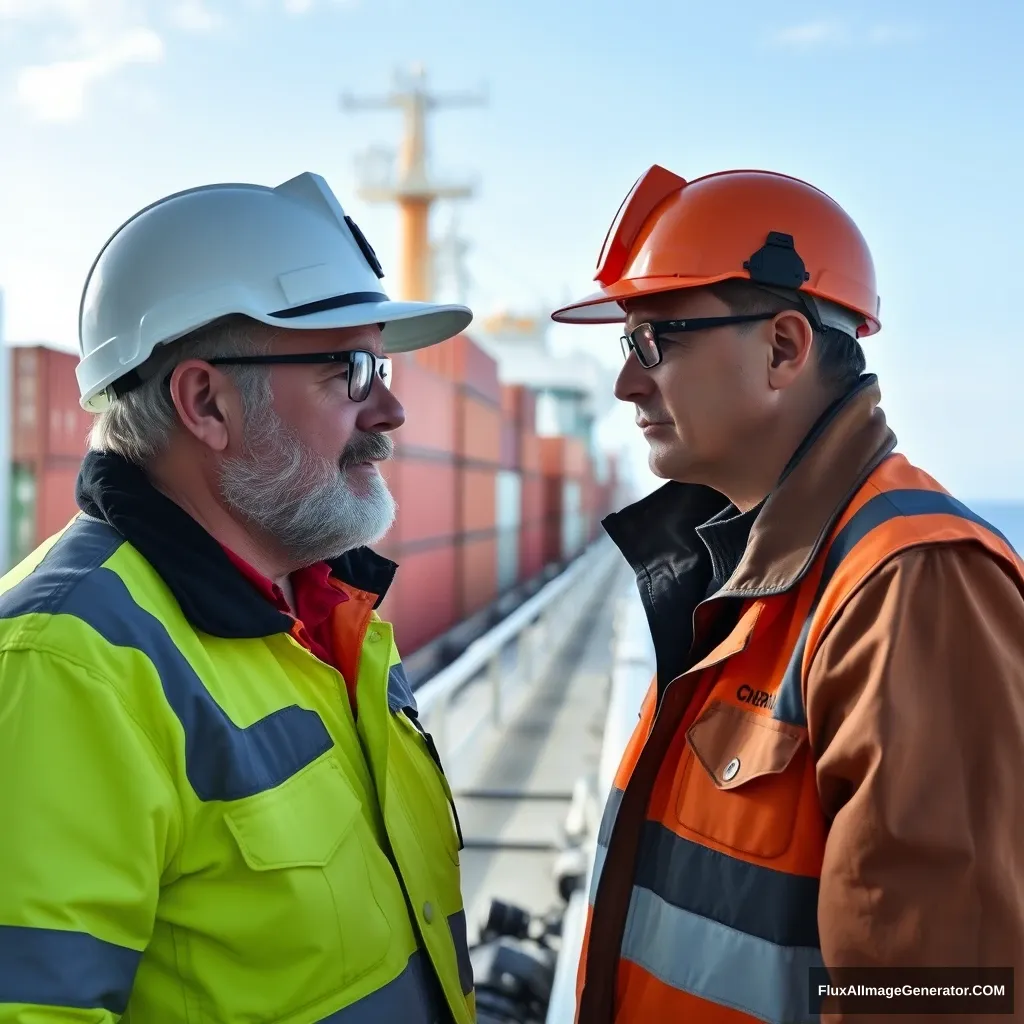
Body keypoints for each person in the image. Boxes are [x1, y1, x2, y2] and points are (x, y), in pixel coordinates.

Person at [551, 164, 1024, 1022]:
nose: (627, 384)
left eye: (655, 340)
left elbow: (938, 997)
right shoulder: (742, 572)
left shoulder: (910, 586)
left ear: (782, 348)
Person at [0, 172, 477, 1023]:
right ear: (205, 402)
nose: (394, 410)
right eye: (355, 371)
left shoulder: (328, 614)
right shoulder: (67, 666)